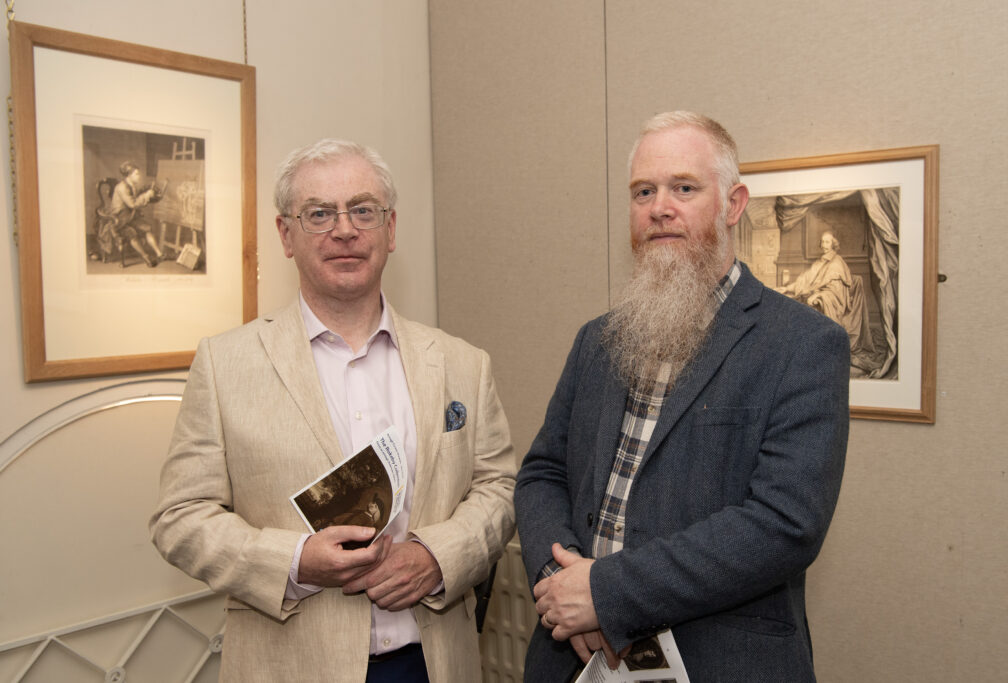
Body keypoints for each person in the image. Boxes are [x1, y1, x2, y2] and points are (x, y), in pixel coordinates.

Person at [150, 139, 516, 683]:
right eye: (319, 213)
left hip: (434, 662)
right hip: (291, 665)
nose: (344, 230)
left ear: (390, 230)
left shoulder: (464, 363)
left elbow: (501, 489)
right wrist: (295, 561)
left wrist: (440, 557)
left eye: (362, 210)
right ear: (286, 235)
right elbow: (179, 519)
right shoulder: (224, 365)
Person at [515, 111, 849, 683]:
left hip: (717, 660)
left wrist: (606, 593)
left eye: (684, 188)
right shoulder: (597, 340)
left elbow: (784, 522)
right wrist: (559, 580)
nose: (658, 207)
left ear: (734, 204)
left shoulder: (804, 344)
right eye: (643, 191)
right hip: (576, 656)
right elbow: (543, 472)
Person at [776, 231, 875, 358]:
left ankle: (820, 345)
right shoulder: (819, 262)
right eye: (822, 242)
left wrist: (819, 296)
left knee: (807, 306)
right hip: (814, 294)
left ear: (833, 244)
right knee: (790, 304)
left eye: (827, 242)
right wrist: (786, 288)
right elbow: (805, 279)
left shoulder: (837, 262)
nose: (824, 245)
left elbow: (836, 291)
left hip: (834, 300)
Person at [107, 161, 164, 267]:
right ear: (129, 175)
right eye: (136, 174)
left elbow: (137, 199)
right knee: (132, 233)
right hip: (119, 220)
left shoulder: (132, 185)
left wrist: (150, 196)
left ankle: (159, 254)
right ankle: (146, 257)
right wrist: (146, 195)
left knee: (147, 228)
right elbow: (133, 204)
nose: (139, 176)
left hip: (130, 216)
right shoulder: (122, 187)